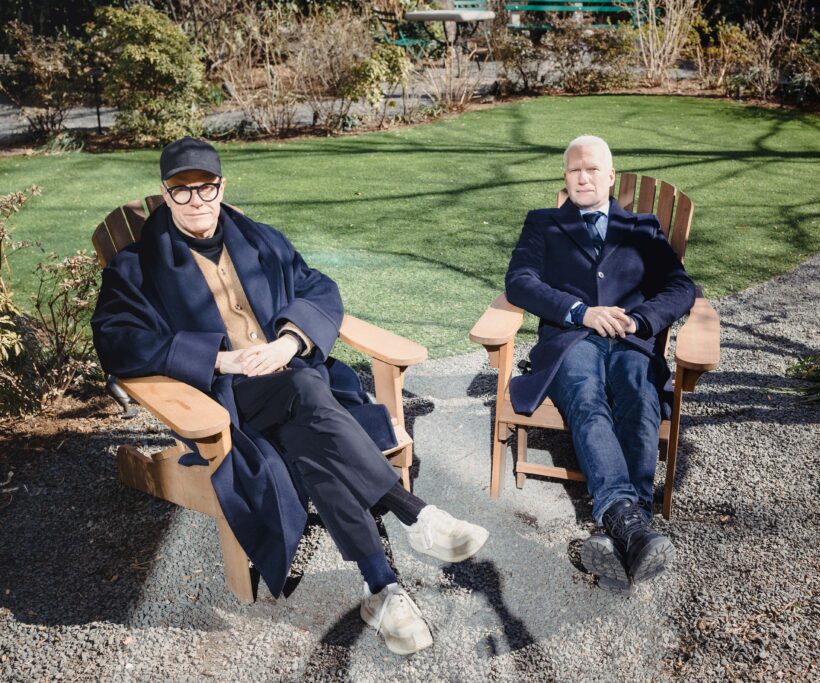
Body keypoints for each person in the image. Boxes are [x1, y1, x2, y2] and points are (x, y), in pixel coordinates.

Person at [92, 137, 488, 655]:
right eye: (181, 191)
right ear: (165, 195)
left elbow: (319, 288)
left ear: (221, 187)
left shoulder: (258, 240)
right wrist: (218, 358)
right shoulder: (136, 266)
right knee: (306, 391)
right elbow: (118, 337)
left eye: (205, 188)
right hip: (225, 399)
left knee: (307, 434)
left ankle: (381, 589)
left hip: (291, 380)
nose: (196, 202)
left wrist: (288, 342)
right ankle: (412, 511)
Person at [504, 135, 696, 591]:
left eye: (592, 169)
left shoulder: (644, 228)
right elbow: (519, 281)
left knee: (638, 396)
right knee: (587, 400)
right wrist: (580, 311)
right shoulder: (544, 223)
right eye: (574, 170)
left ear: (611, 178)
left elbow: (680, 287)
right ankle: (636, 526)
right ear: (565, 179)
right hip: (571, 341)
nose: (583, 176)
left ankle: (619, 527)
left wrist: (640, 320)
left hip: (631, 342)